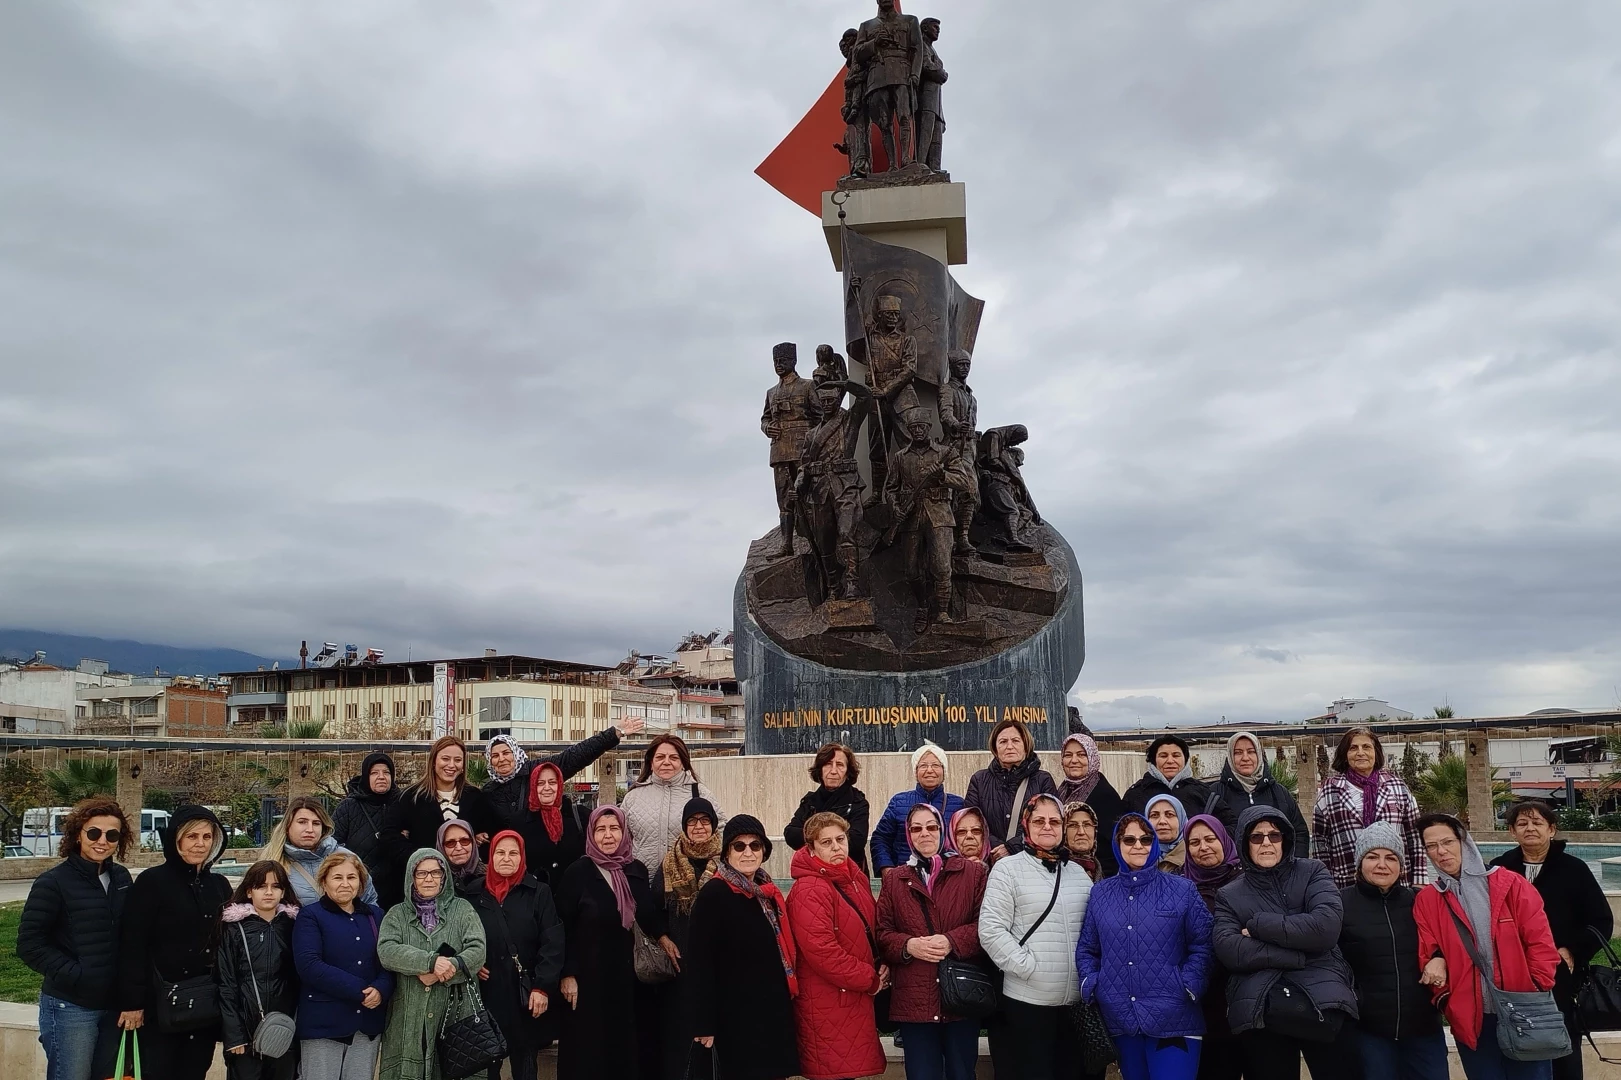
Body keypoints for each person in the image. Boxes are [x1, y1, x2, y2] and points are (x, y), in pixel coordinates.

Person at [1212, 806, 1362, 1080]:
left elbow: (1325, 929)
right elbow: (1230, 950)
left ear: (1286, 839)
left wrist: (1258, 925)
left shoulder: (1313, 872)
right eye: (1256, 837)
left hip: (1323, 996)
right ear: (1245, 843)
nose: (1266, 842)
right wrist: (1296, 954)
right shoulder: (1229, 895)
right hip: (1261, 1003)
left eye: (1274, 835)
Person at [1413, 813, 1561, 1080]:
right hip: (1473, 1020)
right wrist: (1448, 1002)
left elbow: (1541, 943)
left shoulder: (1510, 884)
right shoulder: (1428, 899)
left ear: (1464, 842)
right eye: (1431, 846)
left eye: (1447, 841)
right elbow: (1428, 949)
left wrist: (1536, 988)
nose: (1441, 851)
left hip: (1524, 1011)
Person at [1077, 813, 1212, 1080]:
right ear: (1117, 844)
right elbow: (1087, 949)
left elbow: (1203, 943)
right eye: (1129, 839)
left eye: (1146, 839)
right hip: (1121, 1017)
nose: (1138, 845)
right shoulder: (1101, 893)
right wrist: (1093, 984)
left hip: (1175, 1018)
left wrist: (1187, 984)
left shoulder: (1181, 889)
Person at [1491, 799, 1613, 1080]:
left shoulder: (1574, 869)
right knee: (1519, 1038)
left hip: (1561, 971)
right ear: (1512, 831)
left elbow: (1601, 919)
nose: (1529, 828)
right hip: (1514, 974)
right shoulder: (1500, 869)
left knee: (1563, 1042)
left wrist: (1572, 950)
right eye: (1522, 823)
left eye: (1537, 823)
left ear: (1552, 830)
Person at [978, 794, 1093, 1080]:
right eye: (1039, 820)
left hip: (1073, 1005)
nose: (1047, 827)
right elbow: (991, 929)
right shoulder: (1008, 869)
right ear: (1026, 824)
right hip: (1027, 1002)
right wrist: (1027, 967)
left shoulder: (1077, 872)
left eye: (1054, 821)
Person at [18, 796, 134, 1080]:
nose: (102, 841)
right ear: (78, 834)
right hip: (71, 1007)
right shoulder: (53, 882)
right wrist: (80, 975)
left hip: (113, 1005)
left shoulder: (121, 878)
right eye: (94, 832)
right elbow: (30, 944)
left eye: (112, 834)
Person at [115, 804, 233, 1080]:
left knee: (194, 1071)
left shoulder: (219, 885)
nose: (200, 844)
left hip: (203, 1004)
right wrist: (132, 1002)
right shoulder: (152, 882)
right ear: (176, 839)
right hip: (161, 1005)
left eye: (206, 837)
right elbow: (133, 944)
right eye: (192, 837)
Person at [876, 802, 988, 1080]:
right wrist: (908, 946)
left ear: (941, 830)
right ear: (908, 834)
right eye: (916, 828)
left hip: (959, 997)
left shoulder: (973, 874)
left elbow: (986, 925)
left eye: (931, 827)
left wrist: (951, 940)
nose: (924, 834)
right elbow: (883, 933)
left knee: (961, 1073)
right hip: (914, 999)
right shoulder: (895, 880)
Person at [555, 806, 668, 1080]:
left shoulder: (636, 870)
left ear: (624, 832)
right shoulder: (577, 873)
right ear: (592, 834)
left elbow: (649, 916)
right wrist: (567, 973)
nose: (608, 836)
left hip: (631, 983)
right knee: (591, 1052)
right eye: (601, 829)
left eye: (614, 828)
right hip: (590, 981)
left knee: (631, 1050)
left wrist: (664, 937)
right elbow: (561, 927)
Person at [686, 814, 802, 1080]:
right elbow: (700, 963)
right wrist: (703, 1022)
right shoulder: (714, 894)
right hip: (734, 1019)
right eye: (739, 846)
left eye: (755, 845)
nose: (748, 852)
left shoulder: (765, 891)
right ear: (727, 852)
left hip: (769, 1013)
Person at [1337, 822, 1448, 1080]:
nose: (1382, 865)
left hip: (1423, 1028)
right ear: (1359, 862)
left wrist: (1440, 957)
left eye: (1390, 858)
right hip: (1369, 1031)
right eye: (1372, 857)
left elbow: (1448, 942)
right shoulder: (1340, 904)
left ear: (1401, 865)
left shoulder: (1421, 901)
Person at [454, 828, 564, 1080]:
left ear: (522, 857)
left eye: (513, 853)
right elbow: (457, 934)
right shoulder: (473, 893)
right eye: (500, 852)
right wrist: (470, 961)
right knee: (487, 1063)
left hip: (525, 994)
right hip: (486, 993)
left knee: (525, 1063)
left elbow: (552, 941)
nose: (506, 858)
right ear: (490, 856)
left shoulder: (538, 892)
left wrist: (542, 987)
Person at [785, 812, 888, 1080]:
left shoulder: (854, 878)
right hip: (829, 1001)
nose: (836, 847)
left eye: (840, 839)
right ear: (811, 849)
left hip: (849, 997)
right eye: (826, 842)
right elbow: (822, 951)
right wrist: (869, 978)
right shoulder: (810, 888)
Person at [376, 848, 488, 1080]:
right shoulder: (397, 915)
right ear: (411, 877)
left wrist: (443, 971)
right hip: (410, 1012)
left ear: (444, 876)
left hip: (456, 1012)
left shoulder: (463, 909)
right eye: (421, 873)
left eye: (436, 873)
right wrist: (429, 962)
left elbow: (478, 951)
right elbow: (386, 950)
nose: (429, 879)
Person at [292, 851, 394, 1080]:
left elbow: (388, 960)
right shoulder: (311, 916)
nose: (345, 884)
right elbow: (309, 965)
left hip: (366, 1023)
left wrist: (380, 988)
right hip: (324, 1024)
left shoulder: (376, 916)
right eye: (338, 878)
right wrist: (361, 991)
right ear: (324, 881)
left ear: (360, 883)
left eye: (352, 877)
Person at [651, 799, 723, 1079]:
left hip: (717, 962)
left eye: (705, 820)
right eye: (692, 821)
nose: (699, 827)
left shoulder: (726, 859)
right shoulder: (670, 862)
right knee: (681, 1032)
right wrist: (663, 937)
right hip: (680, 962)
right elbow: (652, 906)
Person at [380, 737, 499, 897]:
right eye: (445, 758)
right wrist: (420, 858)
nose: (451, 765)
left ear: (463, 765)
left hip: (469, 888)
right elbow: (389, 836)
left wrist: (477, 842)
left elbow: (496, 831)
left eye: (457, 760)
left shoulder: (476, 797)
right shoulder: (411, 797)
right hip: (424, 886)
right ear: (434, 761)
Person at [216, 860, 300, 1080]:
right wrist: (234, 1036)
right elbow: (226, 983)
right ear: (249, 891)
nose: (269, 892)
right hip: (246, 1032)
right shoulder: (235, 929)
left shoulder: (293, 926)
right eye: (261, 886)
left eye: (276, 886)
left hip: (284, 1030)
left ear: (284, 892)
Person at [1313, 728, 1425, 889]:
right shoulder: (1329, 791)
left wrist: (1419, 880)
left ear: (1376, 752)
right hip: (1347, 883)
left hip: (1396, 883)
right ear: (1345, 755)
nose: (1360, 753)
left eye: (1366, 747)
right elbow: (1320, 843)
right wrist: (1325, 886)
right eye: (1353, 748)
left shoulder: (1397, 787)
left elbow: (1414, 836)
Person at [480, 719, 646, 824]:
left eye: (506, 753)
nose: (501, 759)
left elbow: (573, 756)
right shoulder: (488, 792)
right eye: (495, 755)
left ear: (515, 753)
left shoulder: (537, 770)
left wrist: (614, 733)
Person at [1181, 815, 1242, 1080]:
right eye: (1194, 842)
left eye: (1210, 839)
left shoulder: (1246, 883)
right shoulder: (1182, 889)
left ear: (1224, 841)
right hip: (1200, 1004)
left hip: (1241, 998)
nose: (1203, 847)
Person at [621, 734, 726, 876]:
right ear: (651, 763)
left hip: (688, 886)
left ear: (683, 762)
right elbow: (622, 841)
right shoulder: (632, 797)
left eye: (673, 758)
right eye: (660, 757)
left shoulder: (700, 793)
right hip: (642, 885)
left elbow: (722, 832)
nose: (666, 762)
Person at [964, 718, 1059, 860]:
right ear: (995, 748)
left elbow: (1050, 822)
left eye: (1015, 741)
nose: (1009, 746)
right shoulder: (979, 780)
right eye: (1003, 742)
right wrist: (995, 847)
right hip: (991, 859)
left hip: (1031, 860)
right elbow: (971, 820)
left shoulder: (1042, 780)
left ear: (1026, 746)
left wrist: (1012, 847)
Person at [263, 795, 379, 909]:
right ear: (288, 826)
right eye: (302, 822)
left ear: (323, 827)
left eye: (316, 823)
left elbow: (369, 901)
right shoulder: (273, 861)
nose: (310, 829)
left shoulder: (347, 857)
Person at [1206, 732, 1308, 857]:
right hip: (1231, 874)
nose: (1245, 758)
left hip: (1278, 873)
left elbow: (1299, 832)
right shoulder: (1214, 794)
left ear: (1259, 755)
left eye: (1251, 751)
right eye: (1238, 752)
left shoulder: (1279, 793)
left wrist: (1293, 869)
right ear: (1230, 757)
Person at [872, 742, 966, 872]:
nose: (929, 770)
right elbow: (880, 839)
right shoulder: (898, 802)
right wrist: (886, 868)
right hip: (905, 876)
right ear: (916, 772)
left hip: (947, 877)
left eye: (935, 765)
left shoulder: (959, 804)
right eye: (923, 766)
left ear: (944, 771)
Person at [784, 742, 873, 873]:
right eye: (828, 764)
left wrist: (816, 839)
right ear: (820, 770)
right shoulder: (810, 801)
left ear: (848, 772)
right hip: (814, 873)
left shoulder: (857, 802)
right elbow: (790, 834)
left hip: (849, 874)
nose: (833, 771)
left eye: (840, 765)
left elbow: (856, 842)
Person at [333, 752, 403, 906]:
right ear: (366, 776)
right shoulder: (349, 807)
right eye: (374, 773)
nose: (381, 777)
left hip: (398, 889)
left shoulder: (403, 804)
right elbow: (332, 846)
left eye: (386, 772)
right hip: (360, 889)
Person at [510, 760, 587, 894]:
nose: (547, 788)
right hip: (534, 901)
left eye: (552, 782)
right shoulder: (519, 821)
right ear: (533, 786)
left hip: (574, 900)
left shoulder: (580, 816)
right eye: (540, 783)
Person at [1057, 733, 1125, 875]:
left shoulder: (1104, 795)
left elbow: (1112, 846)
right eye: (1068, 755)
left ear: (1092, 758)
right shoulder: (1063, 789)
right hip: (1064, 870)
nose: (1074, 760)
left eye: (1082, 755)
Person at [1121, 735, 1213, 821]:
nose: (1170, 761)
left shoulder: (1204, 793)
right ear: (1153, 761)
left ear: (1185, 759)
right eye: (1163, 756)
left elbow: (1224, 827)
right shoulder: (1135, 795)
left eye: (1176, 755)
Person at [1145, 793, 1188, 871]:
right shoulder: (1137, 857)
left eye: (1169, 814)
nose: (1162, 821)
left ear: (1181, 820)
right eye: (1154, 815)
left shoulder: (1194, 855)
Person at [1064, 802, 1104, 882]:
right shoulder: (1054, 870)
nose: (1081, 832)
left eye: (1087, 825)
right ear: (1063, 831)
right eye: (1073, 825)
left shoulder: (1097, 869)